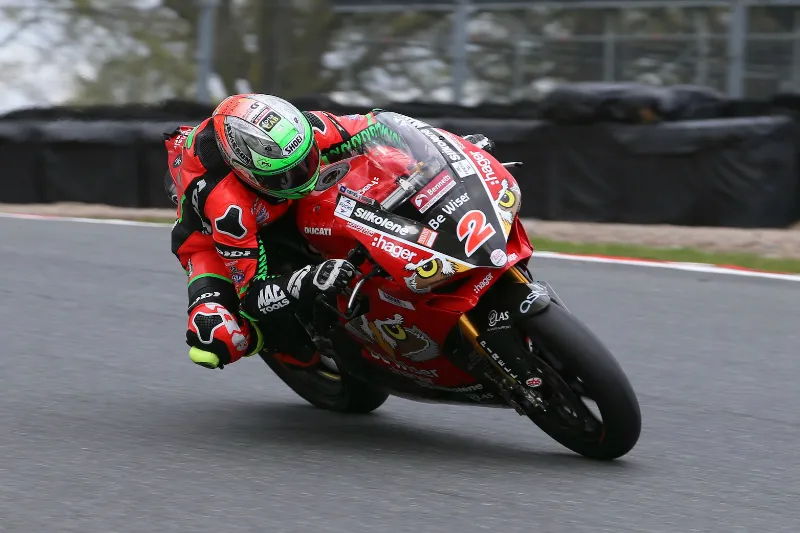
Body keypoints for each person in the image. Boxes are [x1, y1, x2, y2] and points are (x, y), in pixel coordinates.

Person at [163, 93, 496, 371]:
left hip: (284, 203)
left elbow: (378, 125)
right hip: (213, 244)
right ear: (245, 173)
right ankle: (269, 344)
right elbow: (252, 294)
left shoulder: (307, 129)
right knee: (219, 336)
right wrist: (305, 281)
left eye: (306, 159)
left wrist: (446, 149)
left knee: (386, 160)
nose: (303, 173)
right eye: (286, 175)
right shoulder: (227, 207)